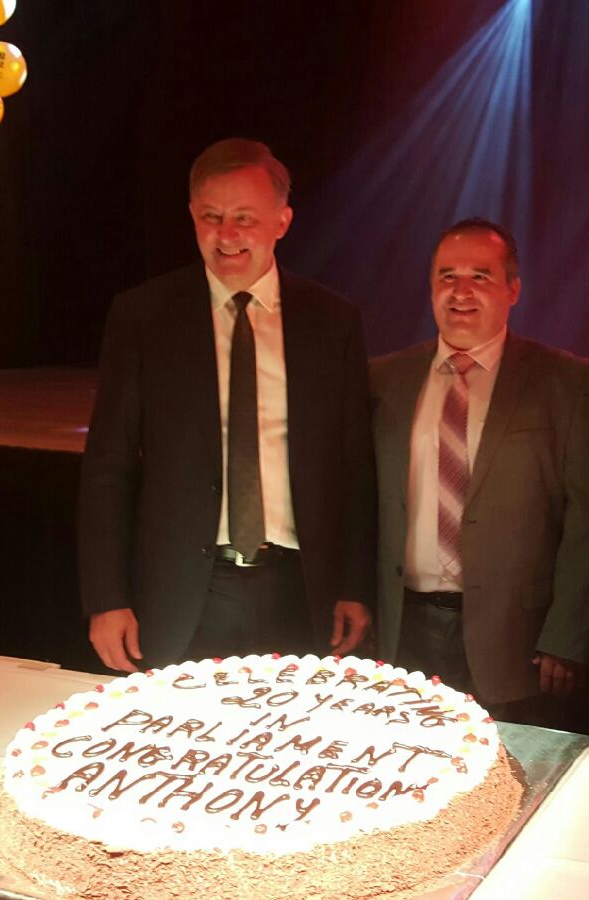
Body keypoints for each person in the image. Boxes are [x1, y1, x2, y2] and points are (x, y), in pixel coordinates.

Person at [79, 138, 375, 673]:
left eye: (245, 218)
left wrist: (355, 586)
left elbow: (355, 467)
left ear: (282, 221)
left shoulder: (333, 322)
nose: (227, 235)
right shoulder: (143, 317)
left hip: (301, 591)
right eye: (211, 217)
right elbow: (108, 468)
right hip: (181, 595)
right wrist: (107, 597)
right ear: (192, 215)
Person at [370, 218, 589, 722]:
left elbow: (586, 522)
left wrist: (566, 635)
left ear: (513, 289)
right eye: (447, 276)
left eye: (480, 276)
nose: (461, 292)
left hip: (515, 640)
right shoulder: (383, 379)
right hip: (401, 632)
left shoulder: (567, 383)